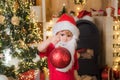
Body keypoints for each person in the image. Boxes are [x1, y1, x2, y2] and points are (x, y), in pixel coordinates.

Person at [37, 14, 80, 80]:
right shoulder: (52, 47)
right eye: (62, 35)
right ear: (57, 34)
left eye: (68, 36)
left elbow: (74, 70)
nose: (65, 38)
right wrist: (51, 39)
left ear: (73, 37)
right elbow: (40, 48)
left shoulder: (72, 50)